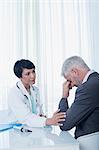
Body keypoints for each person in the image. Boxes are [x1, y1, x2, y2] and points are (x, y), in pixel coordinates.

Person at [8, 59, 65, 127]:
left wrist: (42, 117)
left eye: (33, 71)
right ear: (20, 77)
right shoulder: (14, 93)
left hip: (33, 128)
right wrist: (48, 121)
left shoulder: (35, 90)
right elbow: (26, 118)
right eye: (27, 74)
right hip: (18, 130)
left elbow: (38, 112)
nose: (33, 76)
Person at [58, 56, 99, 139]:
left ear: (74, 72)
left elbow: (65, 124)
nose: (71, 85)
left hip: (89, 143)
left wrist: (64, 97)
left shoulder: (87, 88)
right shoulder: (95, 80)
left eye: (70, 80)